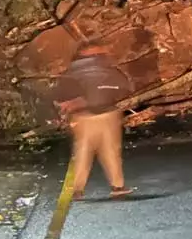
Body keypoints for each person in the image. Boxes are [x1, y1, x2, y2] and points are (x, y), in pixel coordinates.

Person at [52, 42, 133, 200]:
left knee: (89, 152)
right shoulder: (103, 68)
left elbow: (61, 93)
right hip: (95, 115)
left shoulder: (73, 71)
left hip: (94, 115)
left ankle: (85, 188)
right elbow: (124, 86)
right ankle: (111, 186)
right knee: (102, 152)